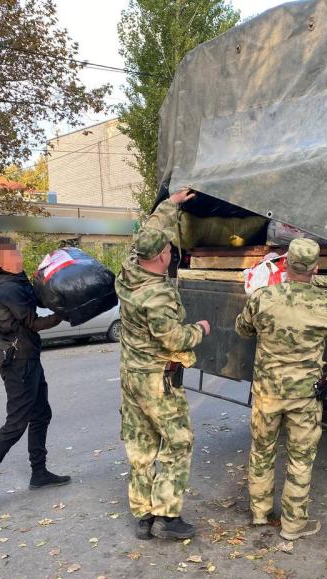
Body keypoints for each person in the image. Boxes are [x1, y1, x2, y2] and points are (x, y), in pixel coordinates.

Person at [116, 188, 211, 540]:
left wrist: (171, 205)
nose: (173, 252)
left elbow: (147, 232)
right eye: (169, 250)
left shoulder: (128, 271)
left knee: (140, 442)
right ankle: (168, 517)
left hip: (131, 376)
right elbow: (172, 339)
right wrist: (199, 329)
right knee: (178, 440)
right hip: (158, 380)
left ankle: (143, 515)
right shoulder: (156, 296)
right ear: (158, 259)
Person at [235, 238, 327, 540]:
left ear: (286, 264)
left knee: (262, 451)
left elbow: (244, 329)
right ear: (315, 269)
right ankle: (294, 525)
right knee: (300, 459)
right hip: (305, 396)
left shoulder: (262, 298)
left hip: (267, 392)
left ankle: (259, 513)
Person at [0, 237, 70, 510]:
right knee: (16, 423)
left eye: (17, 251)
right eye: (12, 254)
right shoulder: (7, 290)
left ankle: (39, 472)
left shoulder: (18, 281)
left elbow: (38, 297)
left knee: (41, 414)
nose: (19, 256)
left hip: (30, 357)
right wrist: (64, 313)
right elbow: (33, 322)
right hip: (18, 363)